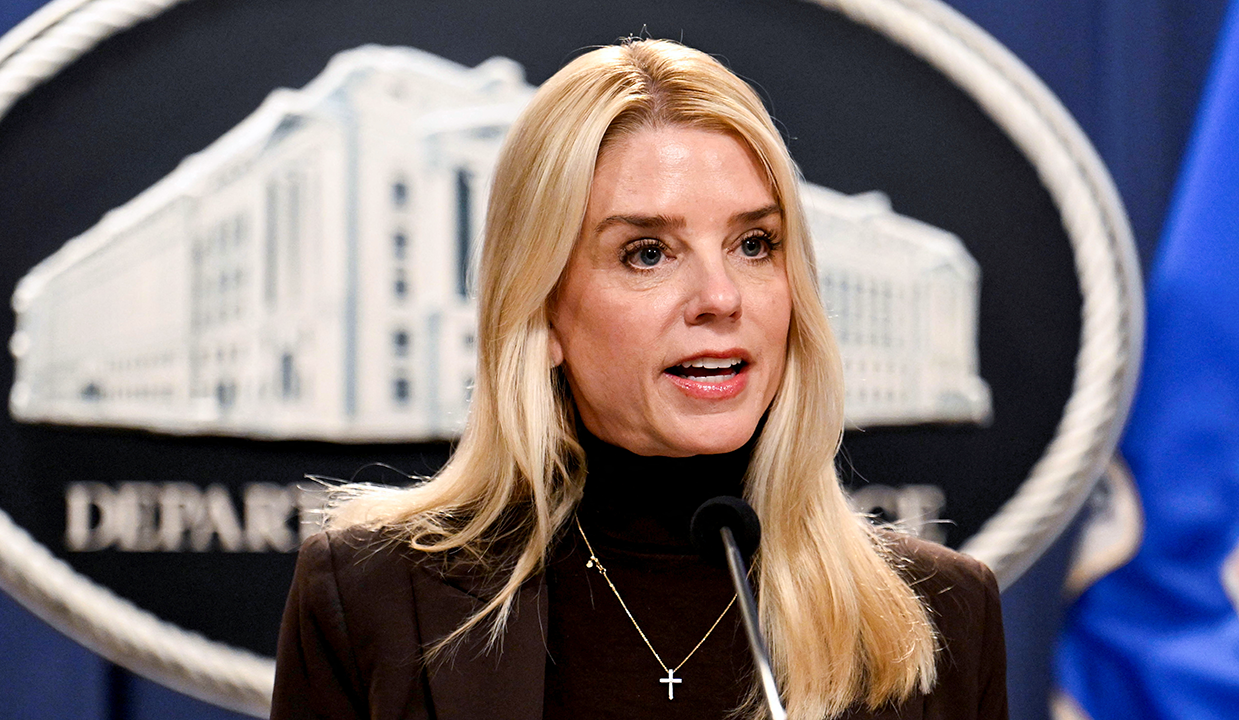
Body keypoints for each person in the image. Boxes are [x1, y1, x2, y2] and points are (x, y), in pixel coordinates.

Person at [271, 39, 1007, 720]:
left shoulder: (943, 614)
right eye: (648, 252)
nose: (721, 297)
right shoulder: (372, 599)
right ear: (542, 310)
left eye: (755, 244)